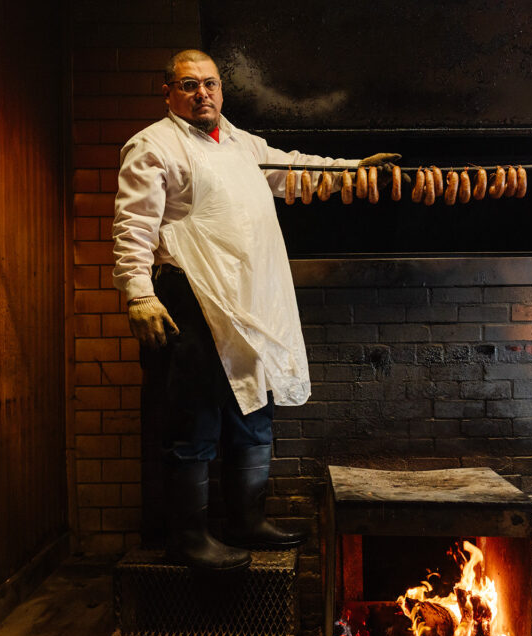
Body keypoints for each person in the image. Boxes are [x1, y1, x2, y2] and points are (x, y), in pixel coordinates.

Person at [112, 49, 398, 571]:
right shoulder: (152, 145)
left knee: (253, 407)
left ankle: (247, 520)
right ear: (168, 92)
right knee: (193, 415)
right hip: (189, 295)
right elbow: (133, 227)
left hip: (246, 298)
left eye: (211, 84)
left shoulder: (241, 142)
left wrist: (354, 171)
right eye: (189, 85)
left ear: (222, 89)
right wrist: (138, 294)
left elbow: (294, 171)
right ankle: (188, 538)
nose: (203, 94)